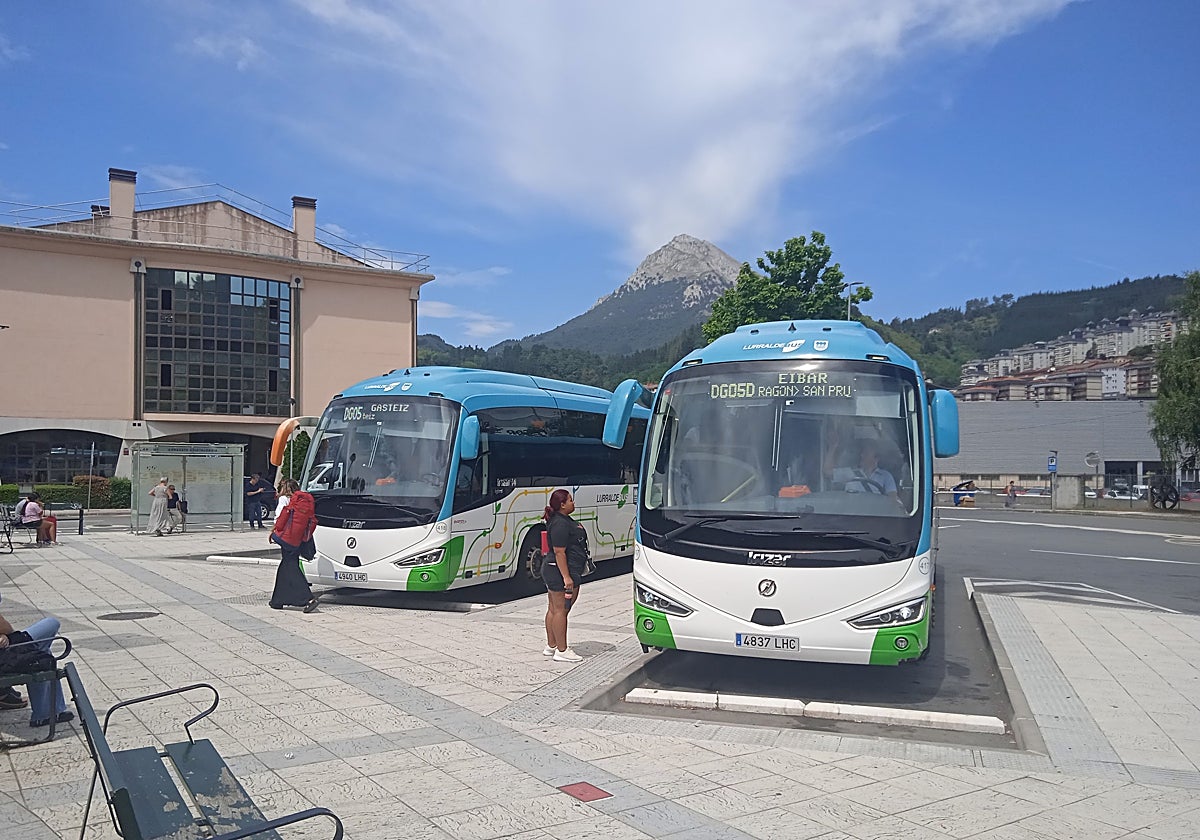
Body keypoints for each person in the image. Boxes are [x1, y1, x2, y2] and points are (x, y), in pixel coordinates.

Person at [0, 592, 73, 729]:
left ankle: (47, 711)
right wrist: (6, 634)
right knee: (50, 625)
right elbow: (4, 627)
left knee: (41, 650)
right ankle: (46, 713)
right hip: (4, 657)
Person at [541, 489, 590, 663]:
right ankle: (562, 650)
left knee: (554, 609)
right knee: (561, 610)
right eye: (570, 500)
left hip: (554, 569)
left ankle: (551, 645)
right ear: (562, 505)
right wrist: (567, 577)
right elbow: (560, 552)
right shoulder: (560, 524)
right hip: (560, 571)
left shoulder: (560, 520)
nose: (573, 503)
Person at [268, 479, 319, 612]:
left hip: (287, 538)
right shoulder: (301, 500)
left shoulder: (285, 499)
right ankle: (277, 600)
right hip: (298, 538)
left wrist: (274, 531)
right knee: (286, 566)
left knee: (291, 567)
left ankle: (308, 598)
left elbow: (280, 518)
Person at [833, 440, 898, 499]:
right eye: (862, 453)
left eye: (866, 453)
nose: (862, 455)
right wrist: (832, 446)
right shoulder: (849, 473)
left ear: (876, 458)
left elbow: (892, 500)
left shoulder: (886, 476)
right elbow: (826, 471)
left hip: (876, 511)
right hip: (851, 511)